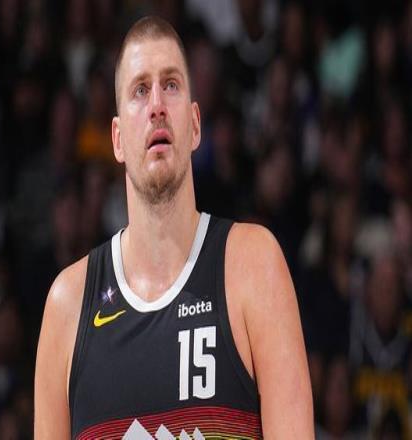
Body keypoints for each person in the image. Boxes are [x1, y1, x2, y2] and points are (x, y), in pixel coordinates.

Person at [34, 16, 313, 439]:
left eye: (171, 85)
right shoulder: (67, 306)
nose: (157, 105)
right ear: (117, 139)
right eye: (140, 90)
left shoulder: (254, 266)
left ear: (196, 124)